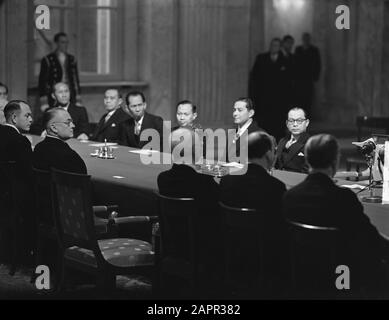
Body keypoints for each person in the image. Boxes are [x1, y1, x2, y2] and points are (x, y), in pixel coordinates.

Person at [283, 134, 389, 297]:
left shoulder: (291, 196)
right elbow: (371, 241)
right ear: (335, 162)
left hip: (300, 275)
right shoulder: (344, 199)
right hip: (342, 278)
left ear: (308, 160)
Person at [220, 131, 289, 297]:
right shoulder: (275, 187)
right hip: (265, 258)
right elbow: (280, 228)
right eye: (273, 151)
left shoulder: (227, 181)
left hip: (230, 252)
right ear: (267, 154)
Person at [0, 100, 35, 263]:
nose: (31, 120)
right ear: (14, 118)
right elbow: (30, 175)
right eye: (27, 115)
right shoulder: (20, 141)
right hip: (14, 199)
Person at [249, 38, 290, 141]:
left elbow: (289, 82)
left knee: (278, 127)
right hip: (264, 99)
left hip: (279, 101)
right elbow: (254, 78)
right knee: (265, 125)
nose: (273, 47)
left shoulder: (286, 60)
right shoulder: (261, 58)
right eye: (272, 45)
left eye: (276, 45)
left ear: (279, 47)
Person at [33, 107, 87, 174]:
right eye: (68, 122)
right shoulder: (69, 156)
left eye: (72, 122)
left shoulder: (38, 148)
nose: (73, 125)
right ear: (54, 128)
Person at [38, 32, 81, 110]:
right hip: (53, 95)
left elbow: (75, 80)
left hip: (69, 94)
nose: (65, 45)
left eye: (66, 42)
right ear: (56, 43)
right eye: (62, 42)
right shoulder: (48, 60)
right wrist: (44, 101)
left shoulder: (72, 59)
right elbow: (42, 81)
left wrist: (78, 98)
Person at [227, 97, 264, 162]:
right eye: (234, 110)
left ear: (251, 113)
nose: (235, 114)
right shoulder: (232, 133)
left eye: (240, 110)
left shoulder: (259, 135)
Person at [275, 107, 310, 173]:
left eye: (299, 121)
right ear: (287, 123)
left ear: (307, 122)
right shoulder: (282, 141)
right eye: (291, 121)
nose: (295, 124)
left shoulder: (310, 143)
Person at [294, 32, 321, 115]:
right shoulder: (298, 49)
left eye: (307, 38)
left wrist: (315, 76)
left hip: (309, 77)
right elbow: (295, 63)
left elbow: (317, 63)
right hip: (299, 78)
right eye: (305, 38)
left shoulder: (314, 50)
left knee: (308, 97)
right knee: (299, 97)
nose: (306, 40)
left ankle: (307, 114)